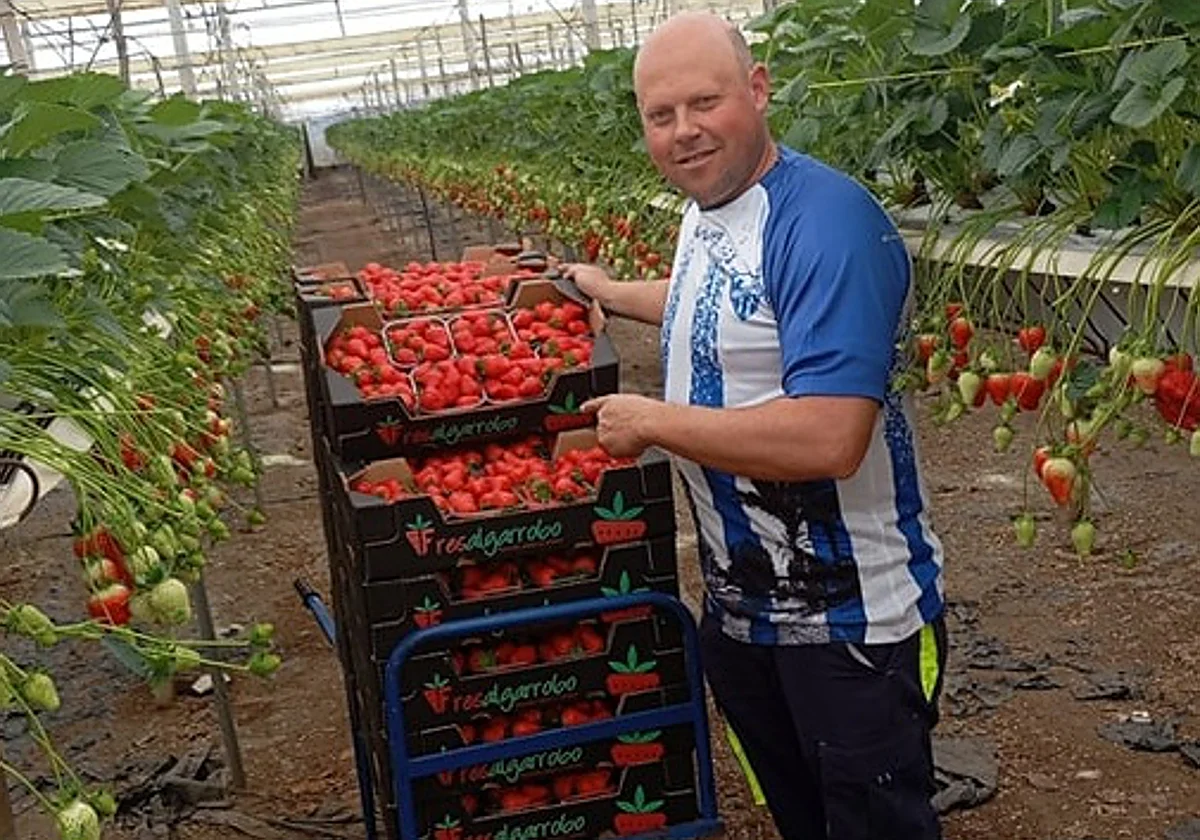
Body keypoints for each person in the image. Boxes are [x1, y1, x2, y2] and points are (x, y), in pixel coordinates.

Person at [565, 12, 948, 840]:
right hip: (745, 612)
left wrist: (655, 421)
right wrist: (613, 293)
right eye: (661, 115)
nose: (684, 131)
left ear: (759, 89)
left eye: (705, 102)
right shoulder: (710, 208)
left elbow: (830, 438)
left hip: (852, 629)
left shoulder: (828, 223)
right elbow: (724, 303)